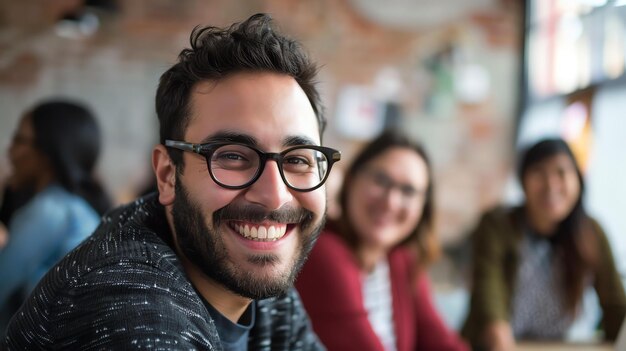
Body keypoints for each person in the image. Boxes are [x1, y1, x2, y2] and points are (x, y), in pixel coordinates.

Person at [3, 13, 341, 350]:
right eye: (232, 156)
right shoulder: (135, 316)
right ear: (167, 175)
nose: (274, 196)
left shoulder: (258, 283)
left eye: (297, 159)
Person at [295, 130, 469, 351]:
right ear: (351, 179)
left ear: (423, 207)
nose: (391, 202)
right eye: (380, 180)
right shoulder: (324, 252)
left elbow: (442, 342)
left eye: (408, 191)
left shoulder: (401, 259)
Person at [461, 138, 626, 351]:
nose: (551, 185)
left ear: (578, 179)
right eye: (539, 172)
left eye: (561, 172)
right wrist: (498, 338)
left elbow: (615, 304)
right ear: (522, 181)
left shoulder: (591, 232)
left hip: (555, 345)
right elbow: (488, 291)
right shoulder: (498, 225)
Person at [0, 100, 111, 334]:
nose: (9, 151)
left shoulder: (50, 210)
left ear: (47, 154)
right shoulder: (77, 209)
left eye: (20, 140)